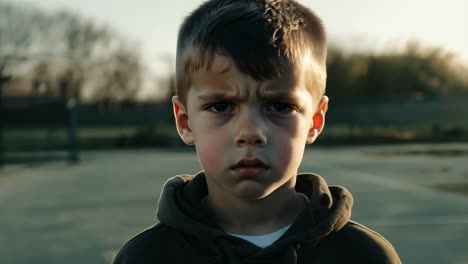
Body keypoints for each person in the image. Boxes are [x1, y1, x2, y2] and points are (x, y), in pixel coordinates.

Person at [113, 0, 401, 263]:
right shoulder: (146, 257)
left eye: (279, 106)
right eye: (221, 106)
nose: (250, 132)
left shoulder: (365, 256)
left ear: (313, 121)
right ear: (186, 122)